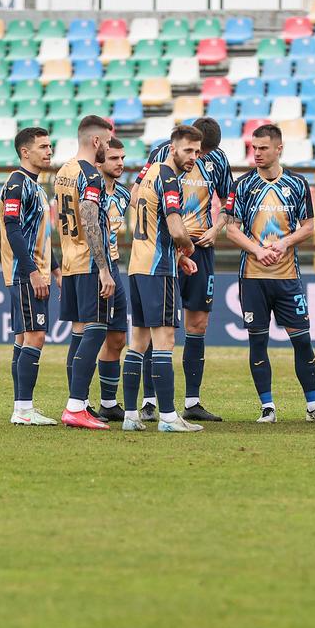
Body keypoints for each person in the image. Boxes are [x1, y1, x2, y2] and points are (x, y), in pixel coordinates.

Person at [223, 124, 315, 425]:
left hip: (288, 277)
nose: (257, 153)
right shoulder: (243, 185)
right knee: (257, 342)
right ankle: (267, 407)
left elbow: (309, 226)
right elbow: (231, 228)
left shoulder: (298, 184)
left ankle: (313, 405)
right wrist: (257, 250)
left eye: (263, 148)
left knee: (302, 341)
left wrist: (286, 241)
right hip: (253, 277)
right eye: (254, 148)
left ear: (279, 149)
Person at [146, 116, 233, 422]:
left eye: (205, 153)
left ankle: (192, 401)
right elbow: (141, 195)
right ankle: (148, 401)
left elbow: (229, 200)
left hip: (202, 248)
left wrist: (218, 227)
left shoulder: (219, 159)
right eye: (197, 151)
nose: (200, 158)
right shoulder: (160, 154)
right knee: (156, 325)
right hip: (166, 250)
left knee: (198, 324)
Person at [124, 124, 203, 432]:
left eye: (197, 152)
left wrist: (177, 254)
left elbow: (135, 201)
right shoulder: (169, 178)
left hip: (137, 266)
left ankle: (131, 416)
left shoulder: (151, 173)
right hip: (158, 270)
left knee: (138, 342)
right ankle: (169, 417)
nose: (193, 157)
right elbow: (175, 226)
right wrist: (187, 246)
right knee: (164, 341)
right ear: (173, 149)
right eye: (188, 150)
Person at [54, 115, 118, 430]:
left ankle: (78, 404)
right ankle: (76, 406)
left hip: (70, 262)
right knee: (96, 331)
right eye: (107, 141)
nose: (108, 147)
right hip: (89, 263)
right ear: (96, 142)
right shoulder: (90, 175)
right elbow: (91, 221)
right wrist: (104, 269)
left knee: (78, 335)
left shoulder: (63, 171)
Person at [2, 126, 58, 425]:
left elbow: (42, 233)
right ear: (26, 152)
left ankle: (22, 406)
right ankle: (23, 409)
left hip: (35, 271)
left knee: (25, 337)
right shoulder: (16, 183)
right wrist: (33, 271)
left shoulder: (37, 186)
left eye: (50, 146)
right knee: (35, 336)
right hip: (25, 273)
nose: (49, 151)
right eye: (43, 147)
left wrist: (57, 267)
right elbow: (13, 228)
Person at [93, 137, 135, 419]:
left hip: (115, 266)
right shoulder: (91, 194)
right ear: (99, 163)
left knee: (118, 337)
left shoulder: (123, 194)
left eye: (122, 158)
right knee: (89, 335)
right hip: (93, 268)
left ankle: (108, 404)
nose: (120, 163)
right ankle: (79, 403)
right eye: (113, 159)